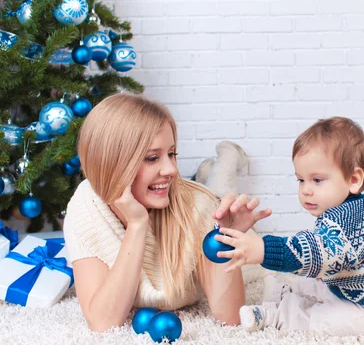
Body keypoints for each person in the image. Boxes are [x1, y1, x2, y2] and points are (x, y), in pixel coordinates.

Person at [62, 93, 271, 332]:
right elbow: (102, 322)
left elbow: (231, 317)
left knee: (219, 195)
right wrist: (137, 224)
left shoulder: (200, 206)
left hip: (198, 200)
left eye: (172, 154)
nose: (171, 169)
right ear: (114, 163)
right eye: (152, 158)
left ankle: (226, 158)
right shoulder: (86, 208)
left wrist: (226, 237)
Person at [215, 117, 364, 335]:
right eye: (301, 180)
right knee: (316, 282)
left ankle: (278, 315)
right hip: (356, 283)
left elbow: (320, 252)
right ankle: (286, 291)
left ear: (354, 179)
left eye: (317, 180)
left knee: (326, 322)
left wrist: (264, 249)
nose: (306, 189)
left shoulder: (355, 218)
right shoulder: (343, 210)